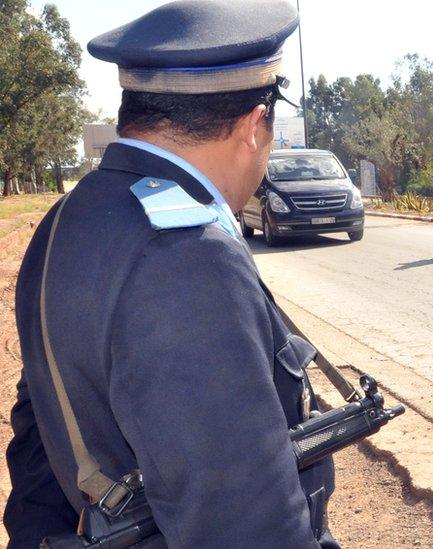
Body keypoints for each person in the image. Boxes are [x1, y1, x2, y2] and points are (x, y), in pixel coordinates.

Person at [3, 1, 338, 547]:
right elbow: (243, 526)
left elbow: (40, 423)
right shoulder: (188, 260)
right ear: (255, 126)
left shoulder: (70, 217)